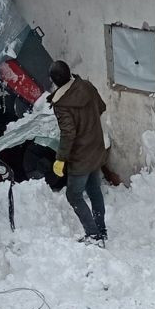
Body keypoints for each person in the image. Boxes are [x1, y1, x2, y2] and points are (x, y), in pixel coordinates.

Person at [49, 60, 109, 245]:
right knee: (94, 189)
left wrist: (60, 159)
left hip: (80, 157)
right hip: (96, 148)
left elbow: (68, 133)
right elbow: (102, 107)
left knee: (73, 195)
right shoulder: (87, 87)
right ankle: (101, 229)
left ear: (54, 80)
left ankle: (93, 235)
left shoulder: (62, 104)